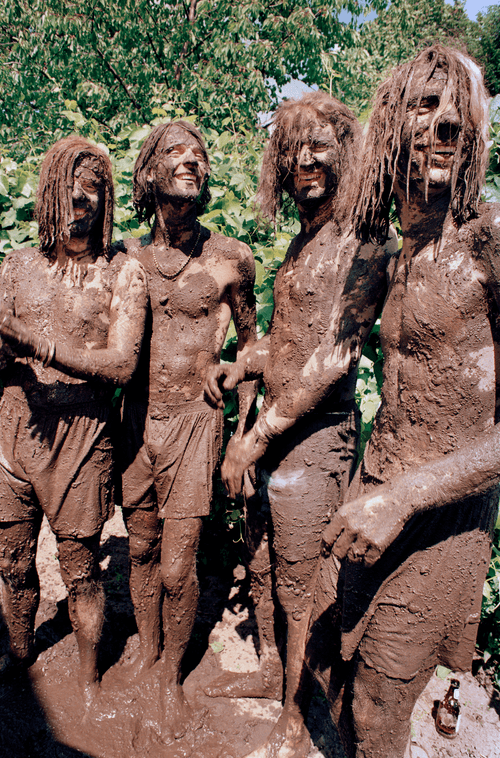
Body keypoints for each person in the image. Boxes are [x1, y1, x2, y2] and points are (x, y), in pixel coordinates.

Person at [205, 92, 397, 758]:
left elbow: (331, 358)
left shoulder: (366, 237)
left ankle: (294, 716)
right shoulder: (302, 240)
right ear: (278, 164)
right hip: (275, 422)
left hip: (317, 437)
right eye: (294, 149)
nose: (308, 159)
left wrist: (256, 437)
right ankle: (267, 671)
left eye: (321, 146)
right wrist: (243, 363)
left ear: (344, 153)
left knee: (299, 577)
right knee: (258, 556)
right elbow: (287, 342)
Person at [318, 45, 498, 758]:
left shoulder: (488, 241)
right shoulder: (389, 253)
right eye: (425, 105)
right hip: (376, 482)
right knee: (338, 665)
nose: (446, 121)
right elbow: (329, 358)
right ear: (391, 125)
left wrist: (406, 497)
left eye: (458, 109)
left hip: (443, 510)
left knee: (378, 700)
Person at [119, 120, 257, 743]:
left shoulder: (231, 258)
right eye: (174, 152)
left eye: (199, 154)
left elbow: (254, 353)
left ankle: (171, 676)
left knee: (176, 567)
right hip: (136, 425)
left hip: (196, 426)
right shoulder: (124, 258)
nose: (191, 160)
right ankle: (147, 654)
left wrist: (242, 433)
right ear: (148, 173)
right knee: (141, 549)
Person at [0, 136, 148, 707]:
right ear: (47, 193)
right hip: (13, 433)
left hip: (81, 441)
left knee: (82, 570)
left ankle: (88, 681)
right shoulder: (17, 266)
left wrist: (36, 343)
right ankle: (17, 657)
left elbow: (120, 363)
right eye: (70, 184)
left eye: (93, 186)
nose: (80, 197)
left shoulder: (120, 272)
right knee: (12, 562)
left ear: (105, 197)